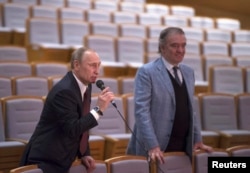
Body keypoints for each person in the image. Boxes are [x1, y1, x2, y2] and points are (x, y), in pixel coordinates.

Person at [20, 47, 115, 173]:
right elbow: (73, 128)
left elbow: (82, 121)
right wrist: (98, 109)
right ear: (76, 65)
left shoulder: (86, 85)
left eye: (99, 65)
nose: (97, 71)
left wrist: (84, 153)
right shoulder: (65, 91)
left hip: (63, 158)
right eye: (92, 65)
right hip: (46, 160)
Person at [126, 27, 213, 164]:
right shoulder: (147, 72)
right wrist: (152, 145)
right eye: (175, 46)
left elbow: (191, 110)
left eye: (183, 45)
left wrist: (197, 139)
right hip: (156, 148)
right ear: (162, 47)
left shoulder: (189, 72)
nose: (180, 50)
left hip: (183, 147)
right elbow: (141, 112)